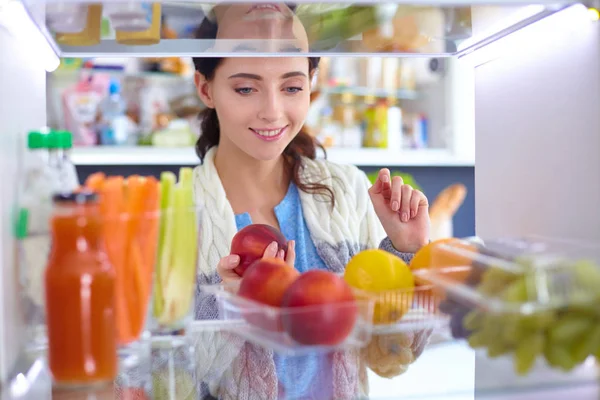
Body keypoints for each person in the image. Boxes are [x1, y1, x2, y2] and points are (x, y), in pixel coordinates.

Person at [191, 3, 432, 399]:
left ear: (312, 83)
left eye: (291, 87)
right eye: (246, 88)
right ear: (206, 88)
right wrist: (227, 311)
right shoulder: (176, 212)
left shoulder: (347, 190)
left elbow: (391, 354)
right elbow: (165, 378)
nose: (272, 112)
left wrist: (408, 253)